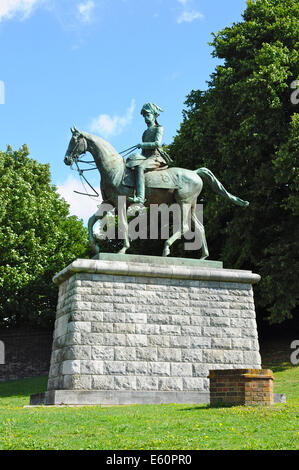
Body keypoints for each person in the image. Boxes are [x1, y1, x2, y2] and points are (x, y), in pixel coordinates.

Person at [127, 102, 171, 204]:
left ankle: (141, 197)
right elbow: (143, 152)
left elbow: (157, 143)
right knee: (130, 161)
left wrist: (143, 145)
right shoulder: (145, 132)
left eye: (148, 115)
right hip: (146, 157)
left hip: (156, 157)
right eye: (144, 116)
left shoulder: (159, 128)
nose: (146, 118)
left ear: (154, 115)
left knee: (140, 167)